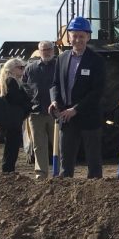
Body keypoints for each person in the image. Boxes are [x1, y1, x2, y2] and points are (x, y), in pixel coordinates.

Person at [49, 16, 106, 178]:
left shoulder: (96, 61)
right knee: (65, 163)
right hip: (66, 118)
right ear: (69, 37)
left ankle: (95, 197)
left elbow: (97, 91)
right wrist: (54, 100)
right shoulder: (61, 58)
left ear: (88, 37)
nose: (78, 39)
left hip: (89, 117)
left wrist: (76, 109)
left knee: (93, 163)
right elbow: (55, 84)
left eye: (82, 36)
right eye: (75, 35)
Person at [23, 41, 57, 179]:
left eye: (49, 49)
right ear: (39, 51)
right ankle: (41, 173)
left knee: (58, 144)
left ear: (53, 50)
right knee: (39, 144)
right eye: (44, 50)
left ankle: (59, 172)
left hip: (55, 112)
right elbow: (24, 86)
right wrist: (31, 101)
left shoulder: (59, 66)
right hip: (36, 112)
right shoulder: (31, 69)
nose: (46, 52)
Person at [0, 58, 31, 173]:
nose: (23, 70)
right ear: (12, 69)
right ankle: (8, 171)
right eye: (20, 67)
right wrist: (28, 102)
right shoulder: (11, 82)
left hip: (10, 120)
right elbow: (16, 99)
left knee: (11, 146)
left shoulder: (9, 81)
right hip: (12, 121)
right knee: (12, 147)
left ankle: (8, 170)